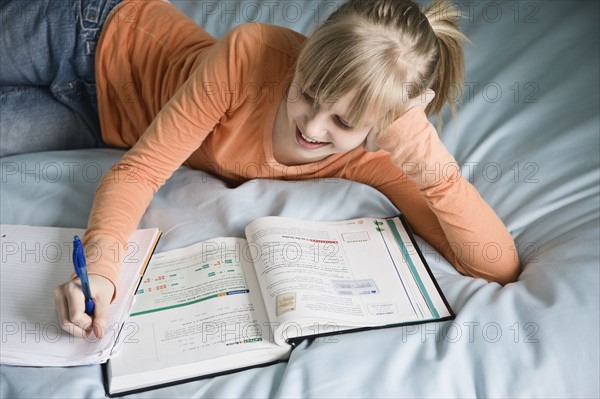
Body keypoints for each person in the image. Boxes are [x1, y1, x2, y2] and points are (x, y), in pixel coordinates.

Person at [1, 0, 520, 339]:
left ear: (400, 117)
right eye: (307, 93)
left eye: (343, 121)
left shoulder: (383, 153)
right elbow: (140, 173)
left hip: (95, 121)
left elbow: (495, 265)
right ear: (307, 51)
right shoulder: (249, 55)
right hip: (87, 34)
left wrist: (434, 168)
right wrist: (102, 272)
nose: (313, 127)